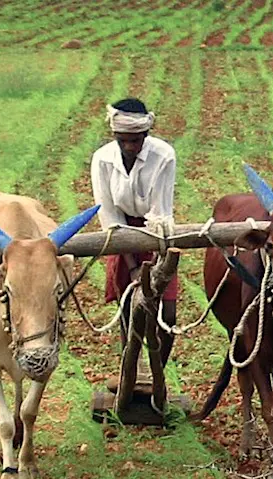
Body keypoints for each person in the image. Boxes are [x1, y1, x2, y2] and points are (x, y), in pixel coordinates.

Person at [90, 97, 178, 368]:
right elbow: (109, 216)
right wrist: (131, 268)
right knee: (129, 307)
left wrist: (156, 268)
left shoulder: (163, 155)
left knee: (168, 312)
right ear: (115, 135)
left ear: (146, 134)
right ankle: (130, 367)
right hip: (121, 236)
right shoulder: (103, 159)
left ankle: (157, 374)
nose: (129, 147)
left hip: (157, 234)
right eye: (123, 140)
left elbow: (160, 212)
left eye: (136, 140)